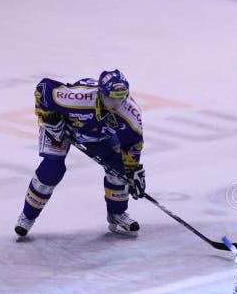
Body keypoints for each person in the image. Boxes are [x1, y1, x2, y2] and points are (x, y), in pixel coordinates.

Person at [14, 70, 145, 237]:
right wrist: (50, 120)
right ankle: (27, 216)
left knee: (119, 169)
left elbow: (132, 144)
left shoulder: (130, 113)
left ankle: (116, 214)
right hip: (62, 130)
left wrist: (132, 170)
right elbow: (43, 88)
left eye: (120, 98)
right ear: (100, 93)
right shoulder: (77, 98)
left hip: (99, 134)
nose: (115, 104)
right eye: (110, 98)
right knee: (52, 170)